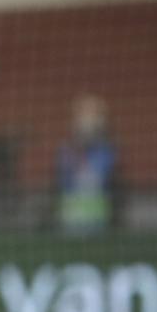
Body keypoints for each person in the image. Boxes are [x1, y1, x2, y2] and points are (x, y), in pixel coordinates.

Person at [56, 93, 120, 234]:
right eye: (84, 115)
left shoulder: (107, 150)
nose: (87, 122)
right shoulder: (66, 150)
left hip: (100, 217)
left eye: (93, 116)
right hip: (71, 217)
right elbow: (63, 180)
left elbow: (108, 179)